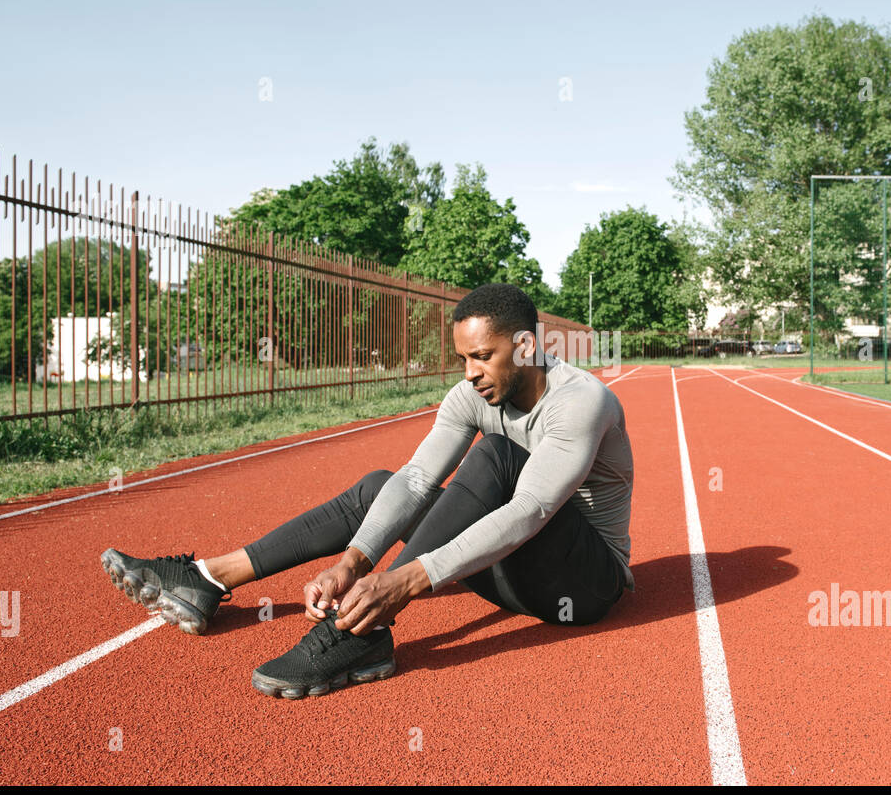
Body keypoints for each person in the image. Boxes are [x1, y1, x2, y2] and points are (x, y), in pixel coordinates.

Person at [99, 283, 635, 699]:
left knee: (498, 456)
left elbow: (531, 509)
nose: (470, 373)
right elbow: (419, 479)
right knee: (384, 486)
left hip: (581, 585)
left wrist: (397, 583)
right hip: (503, 565)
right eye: (463, 359)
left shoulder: (581, 401)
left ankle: (360, 630)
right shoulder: (471, 394)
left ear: (524, 345)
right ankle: (209, 578)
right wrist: (354, 563)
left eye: (482, 356)